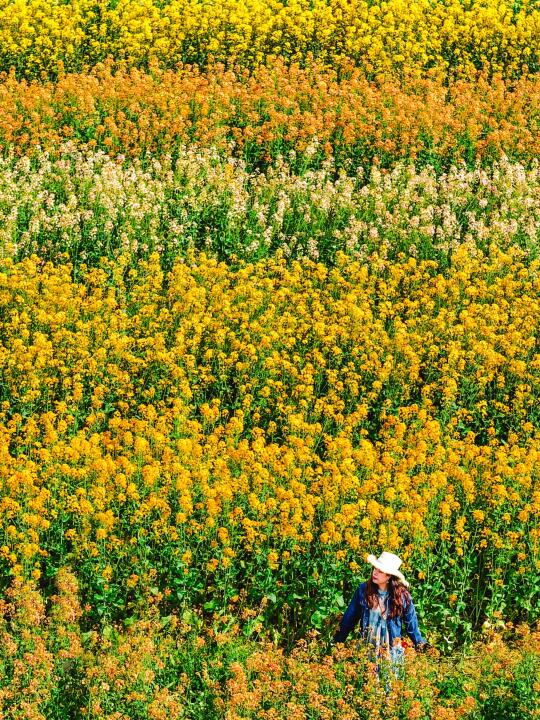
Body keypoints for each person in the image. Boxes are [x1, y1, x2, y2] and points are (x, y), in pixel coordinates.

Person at [332, 551, 430, 679]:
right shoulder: (363, 590)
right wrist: (338, 641)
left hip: (391, 649)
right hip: (368, 647)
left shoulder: (402, 596)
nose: (375, 572)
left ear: (389, 576)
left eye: (380, 571)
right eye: (375, 568)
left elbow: (411, 624)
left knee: (390, 685)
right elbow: (350, 618)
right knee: (367, 684)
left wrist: (420, 644)